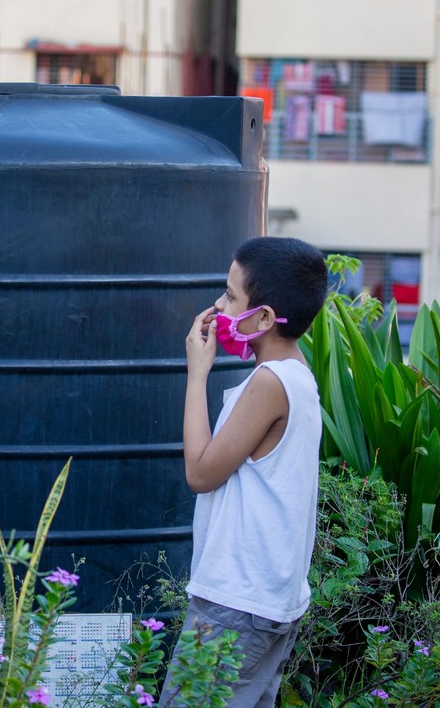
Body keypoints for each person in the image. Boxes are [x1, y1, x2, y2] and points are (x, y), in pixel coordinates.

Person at [161, 236, 328, 708]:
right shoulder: (296, 375)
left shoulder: (270, 383)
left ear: (265, 318)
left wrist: (198, 372)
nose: (218, 305)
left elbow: (201, 472)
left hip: (238, 604)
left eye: (231, 296)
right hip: (264, 603)